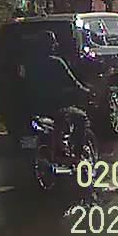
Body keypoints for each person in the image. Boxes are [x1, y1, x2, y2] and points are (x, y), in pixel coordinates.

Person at [18, 30, 93, 158]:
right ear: (50, 45)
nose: (55, 45)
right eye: (53, 43)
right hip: (55, 107)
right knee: (81, 117)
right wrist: (86, 91)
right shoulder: (56, 62)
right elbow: (73, 82)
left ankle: (59, 146)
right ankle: (77, 155)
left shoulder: (29, 64)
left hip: (33, 108)